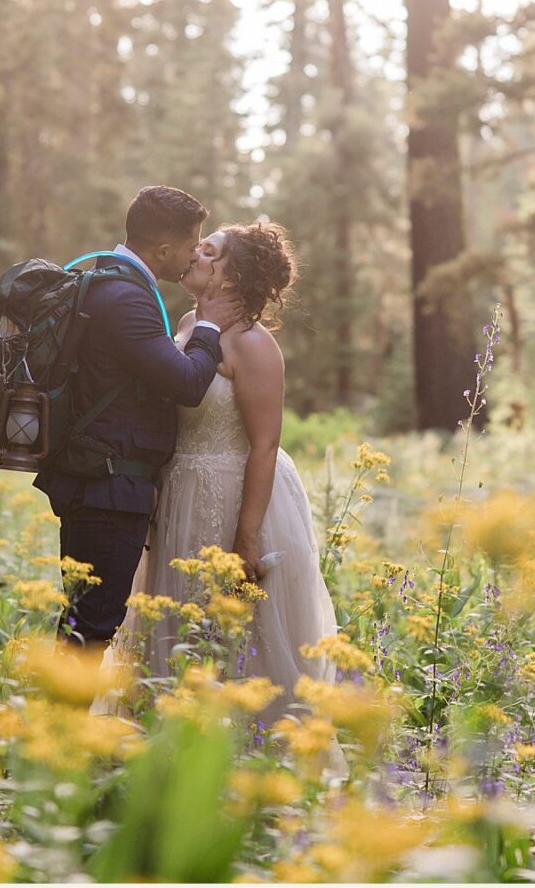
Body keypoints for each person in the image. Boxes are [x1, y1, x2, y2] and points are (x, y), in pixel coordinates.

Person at [107, 221, 341, 724]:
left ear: (230, 276)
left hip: (238, 498)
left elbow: (264, 443)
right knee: (175, 622)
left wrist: (247, 539)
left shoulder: (255, 344)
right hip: (180, 497)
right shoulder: (189, 323)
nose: (193, 252)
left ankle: (248, 763)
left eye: (207, 250)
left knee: (234, 634)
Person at [34, 186, 243, 653]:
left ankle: (56, 721)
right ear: (163, 250)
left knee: (83, 619)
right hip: (105, 488)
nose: (194, 256)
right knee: (92, 625)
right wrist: (208, 322)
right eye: (192, 245)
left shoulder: (108, 281)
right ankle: (60, 724)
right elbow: (188, 385)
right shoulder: (126, 298)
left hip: (95, 481)